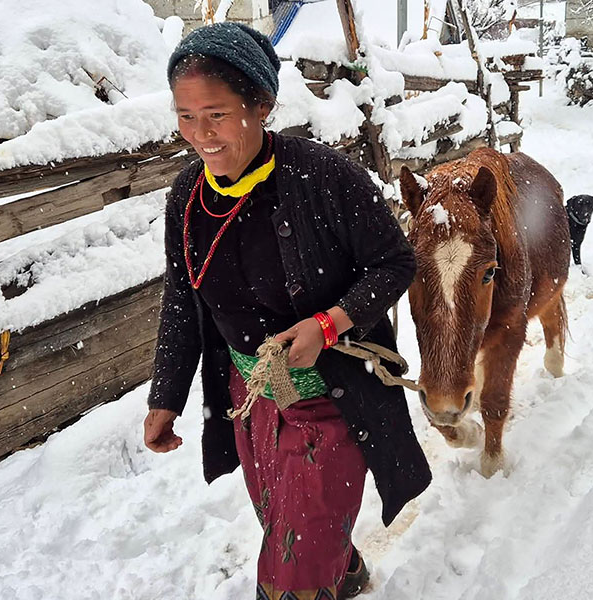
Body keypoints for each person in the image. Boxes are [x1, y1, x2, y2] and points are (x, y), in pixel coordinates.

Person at [142, 23, 431, 600]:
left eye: (218, 114)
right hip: (251, 400)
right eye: (186, 116)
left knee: (289, 568)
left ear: (263, 106)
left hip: (331, 397)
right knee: (283, 520)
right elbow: (182, 298)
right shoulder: (187, 198)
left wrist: (329, 323)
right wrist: (165, 397)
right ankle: (342, 569)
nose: (202, 135)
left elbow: (396, 262)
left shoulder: (322, 177)